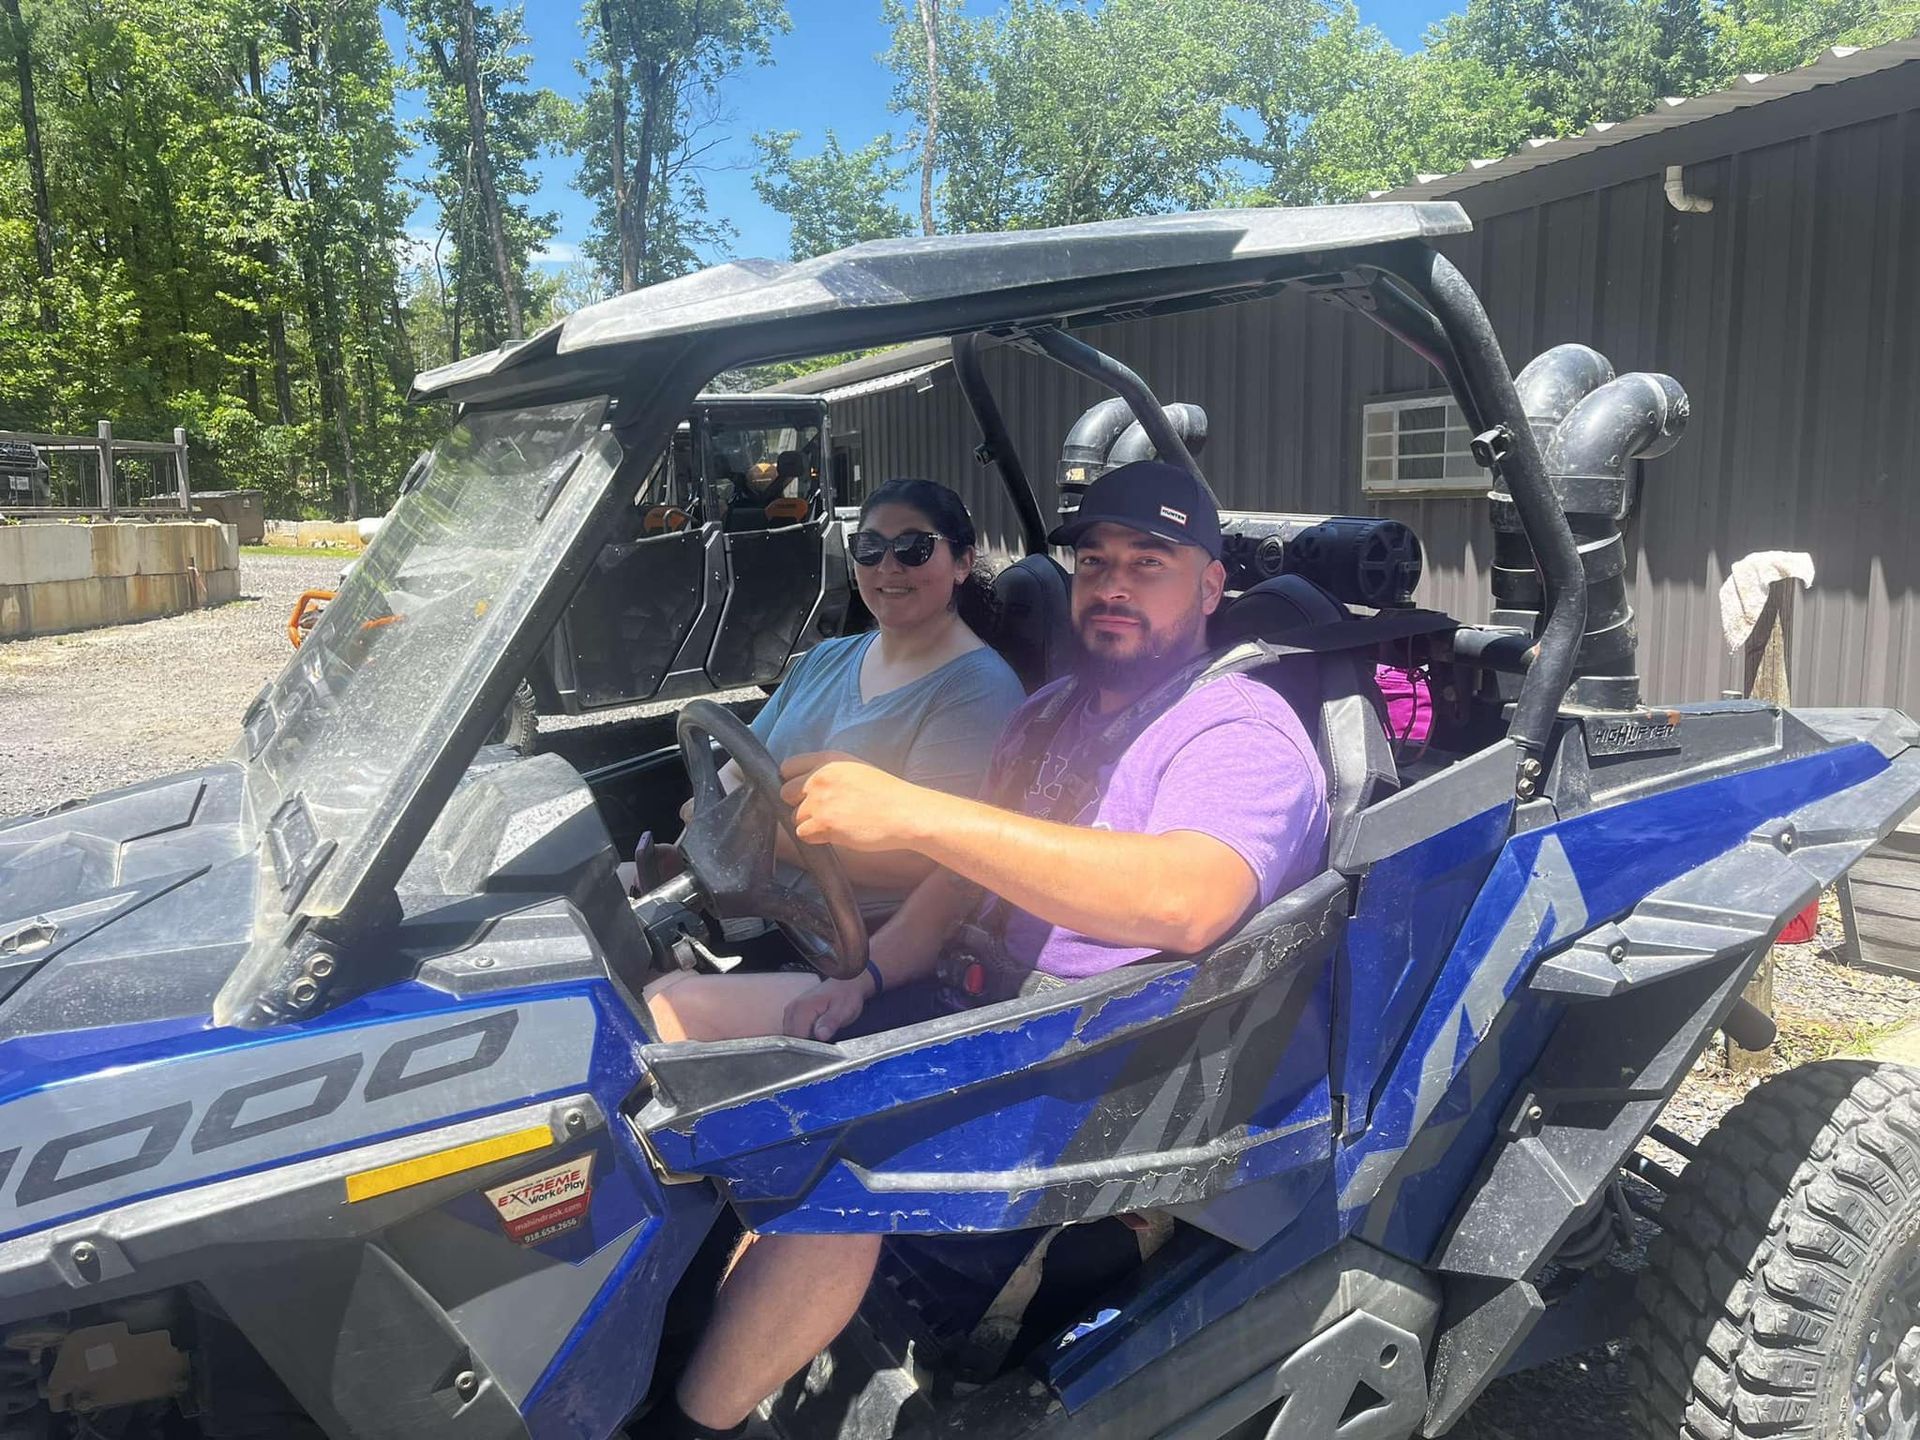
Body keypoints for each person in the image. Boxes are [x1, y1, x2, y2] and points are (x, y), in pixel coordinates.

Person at [656, 460, 1329, 1439]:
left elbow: (1190, 900)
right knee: (678, 1026)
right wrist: (869, 976)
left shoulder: (1236, 730)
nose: (1113, 585)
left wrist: (916, 813)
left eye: (1150, 562)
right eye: (1095, 563)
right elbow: (960, 883)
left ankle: (693, 1424)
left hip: (1103, 1057)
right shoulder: (1050, 714)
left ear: (1210, 585)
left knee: (829, 1153)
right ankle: (663, 1329)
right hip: (986, 1011)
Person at [642, 478, 1025, 1039]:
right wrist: (705, 837)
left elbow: (922, 860)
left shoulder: (978, 690)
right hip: (757, 905)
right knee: (598, 912)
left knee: (664, 1011)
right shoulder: (825, 659)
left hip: (853, 947)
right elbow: (735, 770)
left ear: (962, 563)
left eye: (914, 548)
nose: (888, 566)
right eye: (869, 548)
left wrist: (744, 833)